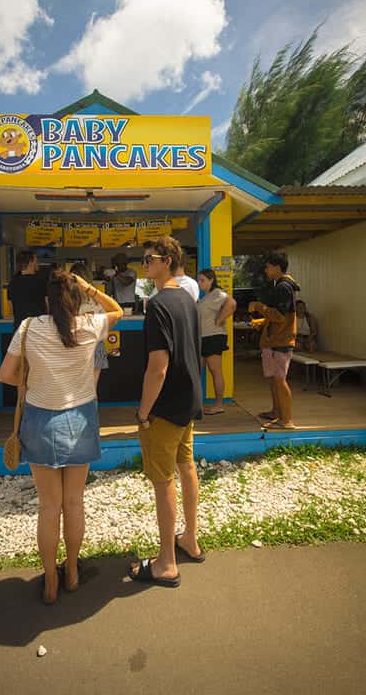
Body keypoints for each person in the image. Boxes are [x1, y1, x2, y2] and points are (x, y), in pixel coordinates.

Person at [0, 270, 122, 603]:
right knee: (74, 503)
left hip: (39, 421)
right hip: (80, 420)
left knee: (49, 506)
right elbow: (118, 310)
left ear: (47, 300)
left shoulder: (28, 327)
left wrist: (36, 376)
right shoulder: (91, 325)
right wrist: (87, 286)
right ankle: (73, 573)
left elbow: (6, 375)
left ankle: (50, 580)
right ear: (78, 298)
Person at [130, 235, 205, 588]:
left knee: (163, 483)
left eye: (149, 259)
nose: (144, 265)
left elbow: (157, 367)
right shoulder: (188, 299)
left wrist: (144, 411)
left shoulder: (158, 305)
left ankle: (166, 563)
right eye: (143, 260)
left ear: (166, 261)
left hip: (164, 407)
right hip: (188, 400)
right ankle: (190, 538)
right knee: (186, 467)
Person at [249, 252, 301, 429]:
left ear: (277, 267)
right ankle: (276, 412)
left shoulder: (283, 287)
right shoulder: (281, 285)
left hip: (281, 341)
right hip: (273, 340)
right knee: (273, 378)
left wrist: (259, 307)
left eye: (268, 266)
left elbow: (279, 316)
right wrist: (263, 321)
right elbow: (281, 316)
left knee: (279, 379)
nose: (265, 270)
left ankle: (287, 420)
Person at [196, 269, 236, 415]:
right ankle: (196, 404)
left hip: (213, 337)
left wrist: (220, 319)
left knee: (215, 370)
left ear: (211, 279)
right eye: (199, 280)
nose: (200, 283)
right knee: (197, 371)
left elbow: (232, 303)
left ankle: (219, 404)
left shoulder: (217, 293)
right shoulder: (207, 296)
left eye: (202, 280)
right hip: (203, 337)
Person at [70, 264, 110, 391]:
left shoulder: (68, 300)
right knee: (92, 388)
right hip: (96, 344)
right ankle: (91, 411)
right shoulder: (98, 298)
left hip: (75, 346)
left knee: (74, 389)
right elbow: (109, 316)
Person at [6, 249, 49, 329]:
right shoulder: (41, 281)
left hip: (20, 328)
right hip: (38, 328)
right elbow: (48, 305)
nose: (37, 263)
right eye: (36, 261)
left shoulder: (12, 282)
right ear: (30, 262)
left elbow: (11, 309)